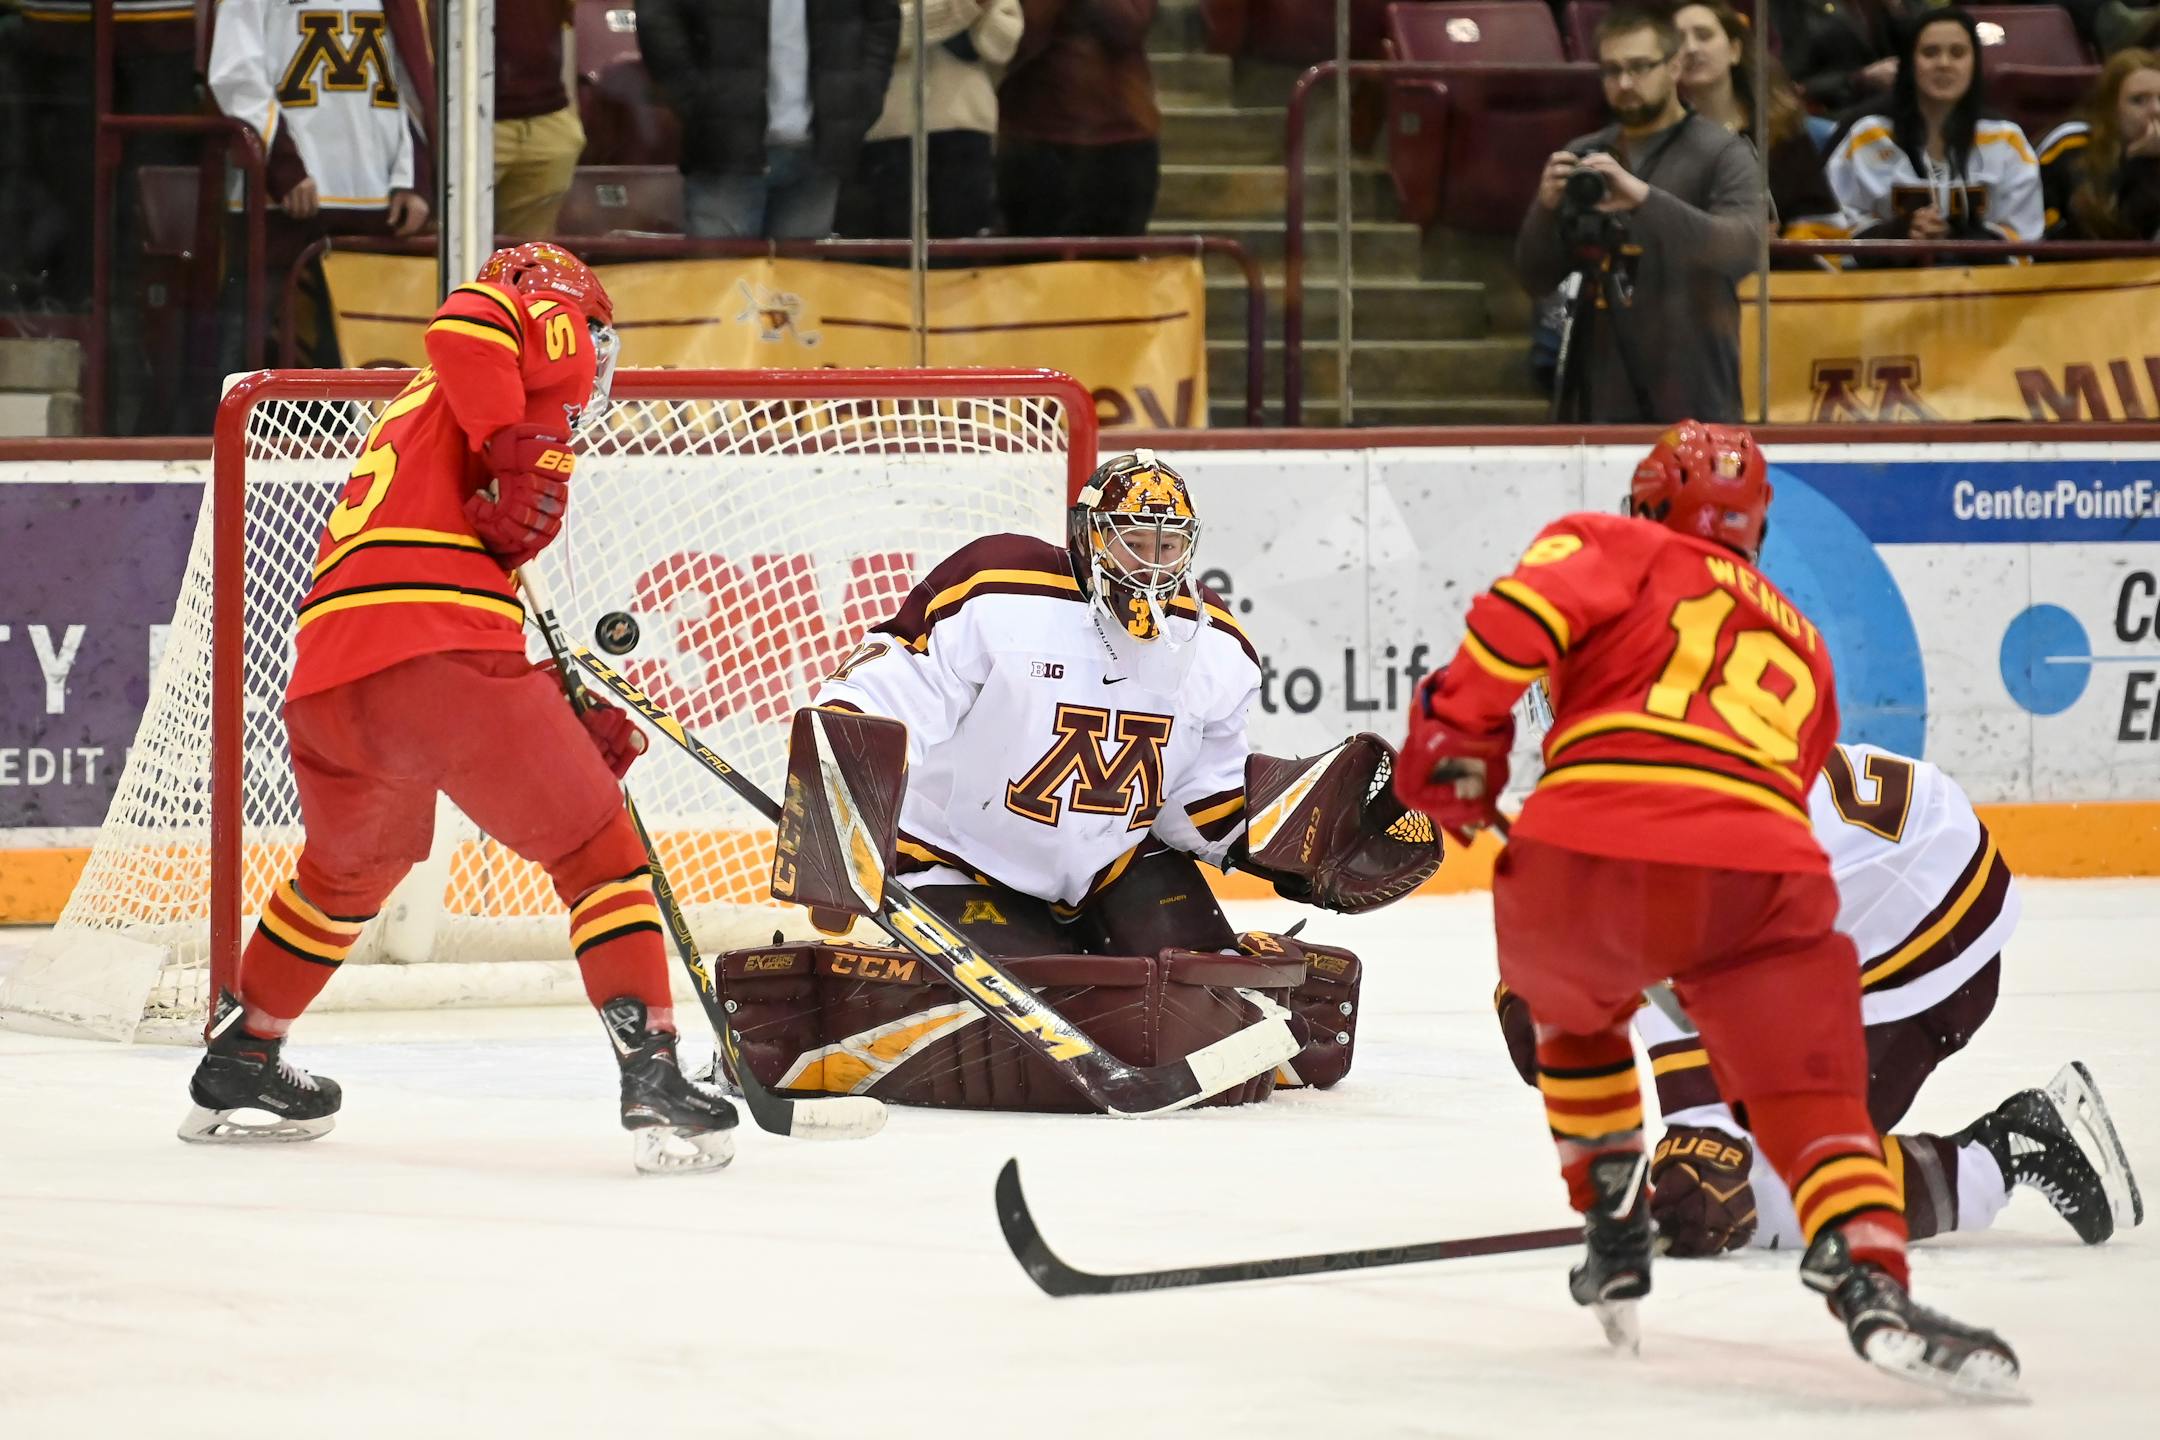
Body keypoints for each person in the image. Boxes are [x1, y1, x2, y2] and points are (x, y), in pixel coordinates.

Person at [1393, 422, 2019, 1394]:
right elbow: (1747, 836)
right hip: (1771, 880)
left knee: (1573, 1021)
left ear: (1645, 500)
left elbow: (1513, 620)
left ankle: (1610, 1228)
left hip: (1816, 896)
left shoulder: (1607, 545)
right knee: (1809, 1108)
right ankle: (1871, 1276)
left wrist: (1453, 740)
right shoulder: (1802, 644)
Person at [179, 243, 738, 1176]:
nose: (592, 361)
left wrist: (554, 712)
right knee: (599, 856)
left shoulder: (421, 418)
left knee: (348, 877)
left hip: (333, 677)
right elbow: (468, 317)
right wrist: (517, 450)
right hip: (432, 651)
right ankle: (653, 1075)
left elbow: (452, 565)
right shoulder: (512, 361)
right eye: (595, 336)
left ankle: (245, 1056)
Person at [1492, 739, 2143, 1257]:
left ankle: (2011, 1150)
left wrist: (1708, 1147)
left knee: (1770, 1195)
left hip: (1924, 924)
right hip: (1880, 881)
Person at [807, 451, 1439, 961]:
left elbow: (1195, 793)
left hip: (1108, 867)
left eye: (1169, 547)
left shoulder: (1211, 642)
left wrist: (1282, 849)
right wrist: (837, 840)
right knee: (1046, 1002)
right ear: (1089, 539)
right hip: (960, 861)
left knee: (1199, 992)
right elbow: (880, 694)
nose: (1152, 565)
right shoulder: (998, 591)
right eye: (1134, 541)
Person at [1516, 7, 1766, 424]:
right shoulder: (1585, 155)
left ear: (1674, 66)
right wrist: (1544, 208)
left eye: (1639, 67)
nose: (1624, 83)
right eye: (1611, 71)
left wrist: (1645, 199)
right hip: (1597, 394)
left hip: (1693, 394)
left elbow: (1743, 248)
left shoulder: (1724, 152)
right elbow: (1534, 276)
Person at [207, 0, 433, 369]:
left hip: (375, 199)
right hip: (282, 200)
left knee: (365, 355)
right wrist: (283, 166)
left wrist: (414, 177)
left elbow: (406, 79)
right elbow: (235, 73)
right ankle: (213, 426)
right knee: (247, 344)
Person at [635, 0, 901, 239]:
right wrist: (699, 105)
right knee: (721, 285)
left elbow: (882, 20)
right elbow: (657, 17)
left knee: (800, 289)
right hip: (724, 153)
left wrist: (859, 101)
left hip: (818, 153)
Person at [1823, 8, 2044, 257]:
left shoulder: (2007, 141)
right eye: (1930, 53)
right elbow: (1834, 233)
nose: (1944, 64)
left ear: (1975, 63)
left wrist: (1953, 240)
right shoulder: (1867, 136)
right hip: (1881, 289)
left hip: (1982, 289)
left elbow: (2023, 240)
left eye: (1958, 53)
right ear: (1909, 63)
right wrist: (1902, 233)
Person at [838, 0, 1023, 239]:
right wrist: (965, 7)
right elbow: (874, 36)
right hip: (886, 133)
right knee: (888, 264)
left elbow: (1000, 46)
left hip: (966, 131)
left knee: (961, 265)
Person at [1671, 1, 1845, 241]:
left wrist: (1778, 247)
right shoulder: (1664, 137)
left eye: (1704, 36)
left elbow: (1823, 225)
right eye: (1679, 40)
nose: (1690, 48)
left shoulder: (1780, 130)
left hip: (1782, 273)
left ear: (1734, 50)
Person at [997, 0, 1161, 237]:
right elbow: (1016, 37)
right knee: (1031, 267)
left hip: (1120, 141)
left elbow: (1127, 25)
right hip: (1033, 139)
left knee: (1115, 269)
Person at [2040, 49, 2160, 239]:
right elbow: (2095, 231)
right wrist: (2136, 164)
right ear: (2110, 107)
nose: (2156, 110)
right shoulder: (2072, 142)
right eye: (2139, 100)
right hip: (2062, 262)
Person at [495, 0, 588, 238]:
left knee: (529, 260)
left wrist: (569, 113)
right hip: (469, 123)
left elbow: (565, 22)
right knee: (444, 250)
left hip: (549, 119)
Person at [1767, 0, 1907, 117]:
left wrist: (1898, 9)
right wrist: (1860, 78)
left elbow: (1922, 40)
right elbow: (1792, 84)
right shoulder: (1789, 6)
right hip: (1832, 123)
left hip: (1894, 116)